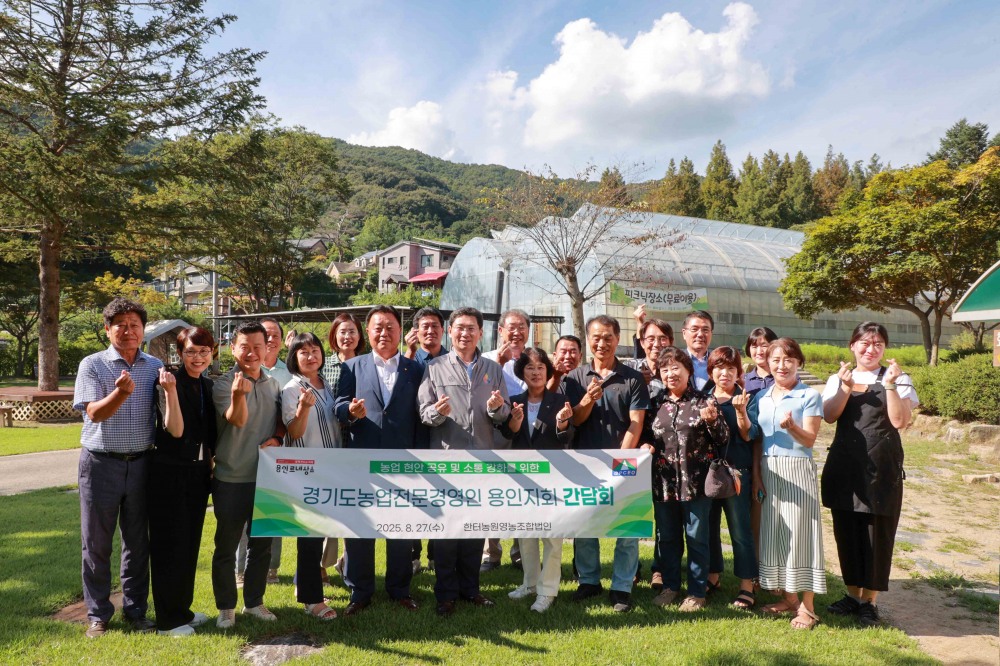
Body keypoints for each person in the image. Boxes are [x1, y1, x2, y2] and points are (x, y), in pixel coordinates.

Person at [73, 298, 163, 638]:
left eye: (135, 325)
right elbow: (93, 412)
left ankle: (136, 609)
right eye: (121, 325)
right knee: (96, 543)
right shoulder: (92, 364)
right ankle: (98, 614)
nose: (128, 331)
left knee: (138, 542)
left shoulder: (154, 365)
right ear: (107, 329)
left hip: (142, 463)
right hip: (100, 464)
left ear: (143, 330)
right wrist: (121, 394)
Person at [821, 322, 918, 627]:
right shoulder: (838, 379)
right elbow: (829, 415)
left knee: (878, 534)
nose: (870, 349)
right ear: (852, 345)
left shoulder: (899, 379)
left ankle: (869, 601)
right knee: (847, 532)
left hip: (882, 468)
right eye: (864, 342)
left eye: (877, 343)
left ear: (885, 348)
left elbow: (900, 420)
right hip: (844, 466)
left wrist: (890, 385)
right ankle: (852, 595)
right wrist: (845, 387)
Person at [418, 307, 511, 617]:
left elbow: (504, 415)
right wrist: (437, 412)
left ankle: (470, 590)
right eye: (459, 328)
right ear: (450, 332)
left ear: (480, 333)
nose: (465, 333)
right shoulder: (434, 368)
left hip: (481, 464)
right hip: (447, 464)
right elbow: (424, 413)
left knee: (473, 530)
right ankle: (445, 594)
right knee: (446, 534)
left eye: (471, 328)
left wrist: (497, 409)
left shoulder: (492, 369)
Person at [336, 306, 424, 615]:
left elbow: (420, 414)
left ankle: (400, 588)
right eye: (377, 328)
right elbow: (338, 405)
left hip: (403, 462)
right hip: (363, 460)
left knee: (400, 528)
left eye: (390, 327)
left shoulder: (414, 369)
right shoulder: (353, 367)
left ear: (400, 332)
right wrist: (349, 411)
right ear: (368, 333)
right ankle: (360, 592)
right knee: (362, 528)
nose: (384, 333)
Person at [563, 315, 650, 613]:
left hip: (624, 462)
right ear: (588, 339)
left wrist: (621, 461)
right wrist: (587, 399)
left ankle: (622, 587)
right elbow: (573, 419)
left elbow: (636, 423)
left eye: (608, 337)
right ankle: (588, 581)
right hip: (585, 463)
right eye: (596, 337)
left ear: (618, 337)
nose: (602, 343)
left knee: (627, 527)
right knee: (586, 525)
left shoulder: (632, 378)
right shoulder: (574, 378)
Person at [211, 320, 284, 629]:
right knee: (226, 546)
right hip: (230, 476)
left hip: (266, 478)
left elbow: (282, 421)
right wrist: (240, 394)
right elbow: (235, 420)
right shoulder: (223, 384)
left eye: (258, 347)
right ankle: (226, 607)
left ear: (267, 348)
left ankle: (254, 602)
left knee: (262, 546)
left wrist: (278, 438)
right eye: (245, 347)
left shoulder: (274, 383)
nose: (252, 353)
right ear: (233, 349)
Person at [647, 347, 729, 612]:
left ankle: (696, 591)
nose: (671, 374)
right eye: (665, 369)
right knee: (668, 537)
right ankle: (671, 586)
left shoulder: (704, 401)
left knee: (697, 537)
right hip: (664, 483)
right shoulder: (656, 402)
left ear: (688, 371)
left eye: (676, 368)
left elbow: (723, 439)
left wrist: (714, 421)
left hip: (696, 483)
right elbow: (649, 436)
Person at [148, 326, 217, 636]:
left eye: (204, 351)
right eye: (191, 351)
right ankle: (167, 620)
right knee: (170, 545)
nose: (197, 357)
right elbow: (174, 429)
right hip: (170, 472)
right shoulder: (168, 379)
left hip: (198, 472)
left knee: (189, 543)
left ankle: (183, 611)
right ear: (180, 353)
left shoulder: (206, 384)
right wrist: (171, 392)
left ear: (213, 352)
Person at [756, 337, 825, 630]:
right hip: (769, 469)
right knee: (776, 534)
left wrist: (793, 428)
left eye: (788, 360)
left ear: (798, 362)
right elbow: (759, 440)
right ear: (767, 363)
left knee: (802, 536)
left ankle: (807, 609)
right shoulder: (763, 396)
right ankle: (787, 598)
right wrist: (758, 475)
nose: (781, 366)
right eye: (775, 360)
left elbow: (810, 439)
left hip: (797, 469)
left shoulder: (809, 396)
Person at [503, 347, 574, 613]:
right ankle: (530, 584)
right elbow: (507, 436)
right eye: (530, 368)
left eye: (541, 368)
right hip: (521, 478)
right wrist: (513, 422)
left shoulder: (559, 401)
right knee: (526, 533)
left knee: (552, 537)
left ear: (548, 371)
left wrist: (563, 424)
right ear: (522, 372)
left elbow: (567, 439)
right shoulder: (514, 400)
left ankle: (548, 591)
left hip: (552, 477)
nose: (535, 372)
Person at [279, 332, 340, 621]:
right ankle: (311, 600)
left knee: (320, 532)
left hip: (332, 469)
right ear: (294, 357)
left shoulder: (327, 386)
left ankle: (309, 588)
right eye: (303, 352)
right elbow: (294, 432)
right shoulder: (292, 389)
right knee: (309, 537)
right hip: (307, 471)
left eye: (315, 350)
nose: (311, 356)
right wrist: (303, 407)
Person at [704, 347, 759, 610]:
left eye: (730, 368)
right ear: (711, 371)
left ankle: (746, 585)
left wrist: (740, 412)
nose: (724, 373)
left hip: (738, 473)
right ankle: (713, 576)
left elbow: (750, 435)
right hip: (709, 475)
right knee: (709, 527)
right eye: (718, 368)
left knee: (739, 530)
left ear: (739, 373)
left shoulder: (747, 398)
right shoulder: (704, 398)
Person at [623, 318, 673, 590]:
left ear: (671, 341)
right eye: (650, 338)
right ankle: (630, 568)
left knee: (664, 516)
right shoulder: (630, 370)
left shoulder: (674, 370)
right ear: (641, 342)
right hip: (634, 452)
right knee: (632, 511)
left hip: (667, 454)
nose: (656, 343)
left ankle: (660, 568)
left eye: (662, 338)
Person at [481, 309, 531, 572]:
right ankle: (492, 552)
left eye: (521, 326)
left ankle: (520, 552)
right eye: (511, 327)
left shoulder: (532, 360)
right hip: (492, 434)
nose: (516, 332)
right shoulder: (486, 359)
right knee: (492, 494)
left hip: (523, 436)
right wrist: (497, 364)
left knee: (521, 494)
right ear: (500, 331)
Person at [318, 312, 365, 582]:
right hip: (330, 443)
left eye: (352, 331)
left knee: (354, 508)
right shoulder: (325, 366)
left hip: (359, 445)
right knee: (330, 504)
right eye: (342, 332)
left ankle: (347, 562)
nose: (347, 336)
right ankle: (322, 564)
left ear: (360, 336)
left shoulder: (367, 364)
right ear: (334, 336)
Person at [403, 306, 448, 574]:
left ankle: (436, 553)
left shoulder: (451, 359)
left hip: (443, 438)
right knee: (415, 497)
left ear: (443, 331)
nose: (430, 331)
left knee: (441, 497)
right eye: (425, 326)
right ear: (416, 331)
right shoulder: (408, 359)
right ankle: (412, 553)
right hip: (413, 437)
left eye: (435, 326)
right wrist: (408, 353)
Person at [260, 316, 292, 585]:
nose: (270, 340)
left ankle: (272, 568)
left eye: (275, 335)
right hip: (249, 448)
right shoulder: (244, 369)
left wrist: (279, 438)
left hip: (279, 448)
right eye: (265, 335)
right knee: (247, 513)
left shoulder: (289, 372)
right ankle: (241, 569)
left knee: (275, 507)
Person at [742, 326, 777, 562]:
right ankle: (756, 568)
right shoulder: (745, 381)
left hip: (777, 453)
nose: (759, 349)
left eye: (765, 344)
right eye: (754, 345)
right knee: (754, 513)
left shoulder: (784, 379)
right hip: (749, 453)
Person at [681, 311, 714, 391]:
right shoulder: (675, 361)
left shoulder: (718, 362)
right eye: (694, 329)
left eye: (705, 330)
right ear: (684, 333)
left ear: (711, 334)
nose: (700, 334)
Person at [743, 327, 778, 396]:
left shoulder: (784, 378)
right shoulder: (743, 381)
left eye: (764, 346)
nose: (759, 352)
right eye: (754, 347)